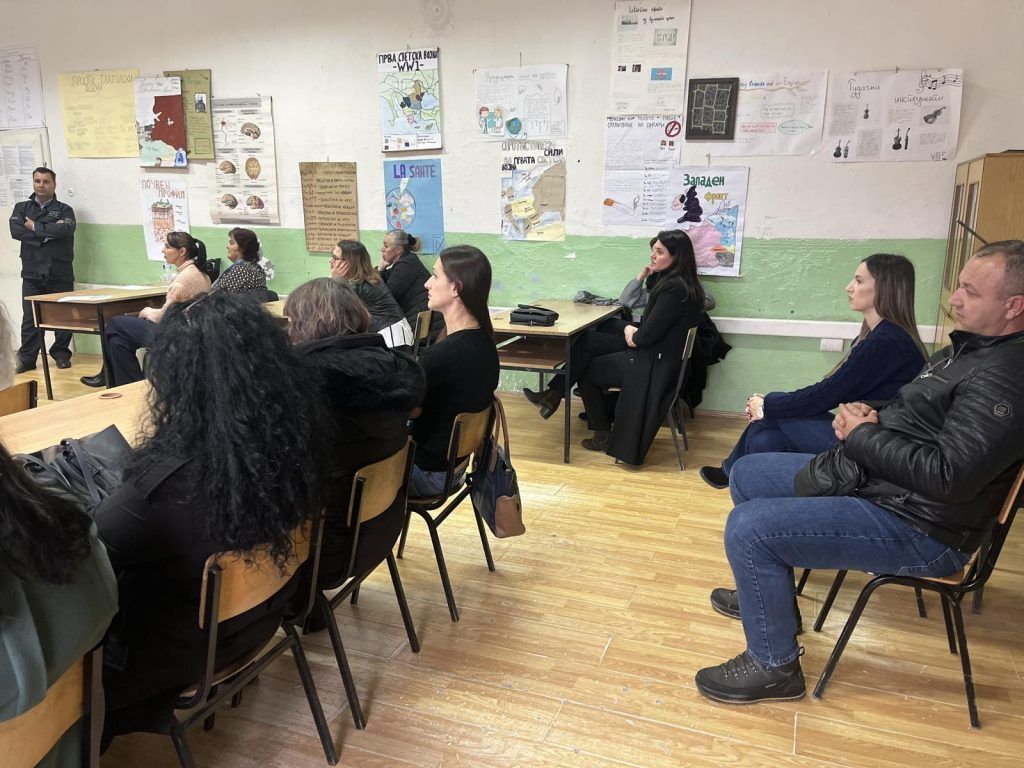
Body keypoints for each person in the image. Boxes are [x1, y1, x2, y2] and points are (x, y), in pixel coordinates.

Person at [695, 241, 1024, 705]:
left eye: (970, 291)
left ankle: (773, 666)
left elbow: (949, 477)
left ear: (1014, 307)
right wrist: (875, 415)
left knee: (749, 529)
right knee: (749, 473)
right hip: (889, 487)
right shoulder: (967, 350)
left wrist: (863, 435)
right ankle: (771, 600)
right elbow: (918, 418)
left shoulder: (1005, 376)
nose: (954, 299)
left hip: (922, 527)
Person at [92, 291, 320, 746]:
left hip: (172, 655)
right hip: (254, 625)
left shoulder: (167, 486)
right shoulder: (291, 444)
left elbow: (88, 549)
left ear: (180, 380)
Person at [699, 253, 927, 489]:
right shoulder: (878, 335)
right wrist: (767, 408)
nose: (849, 287)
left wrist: (766, 405)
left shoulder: (886, 341)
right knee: (765, 436)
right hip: (864, 435)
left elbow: (827, 394)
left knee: (774, 408)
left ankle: (732, 474)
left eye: (859, 281)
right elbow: (831, 393)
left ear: (884, 289)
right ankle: (744, 482)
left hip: (874, 450)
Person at [284, 277, 424, 592]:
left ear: (307, 324)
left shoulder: (305, 382)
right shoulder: (395, 368)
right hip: (378, 530)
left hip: (322, 549)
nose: (288, 330)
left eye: (291, 322)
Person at [524, 231, 704, 452]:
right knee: (588, 339)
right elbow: (632, 308)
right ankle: (553, 395)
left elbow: (642, 338)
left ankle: (599, 431)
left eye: (659, 252)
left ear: (677, 257)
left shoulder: (674, 289)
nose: (652, 256)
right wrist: (641, 282)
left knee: (587, 369)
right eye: (653, 251)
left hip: (652, 364)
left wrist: (630, 332)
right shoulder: (676, 283)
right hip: (658, 355)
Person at [410, 245, 499, 497]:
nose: (427, 283)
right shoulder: (485, 342)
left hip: (428, 475)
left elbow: (407, 408)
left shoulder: (445, 355)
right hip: (455, 470)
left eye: (435, 275)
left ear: (455, 288)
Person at [82, 231, 211, 388]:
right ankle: (127, 386)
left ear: (182, 251)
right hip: (189, 330)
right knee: (117, 341)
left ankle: (112, 379)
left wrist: (146, 311)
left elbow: (161, 317)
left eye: (167, 247)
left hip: (176, 334)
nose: (163, 250)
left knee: (114, 324)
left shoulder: (181, 282)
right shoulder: (199, 273)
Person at [8, 167, 77, 372]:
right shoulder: (22, 208)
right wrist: (47, 234)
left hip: (59, 270)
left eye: (46, 181)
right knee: (31, 318)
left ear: (54, 184)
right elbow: (16, 231)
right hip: (32, 272)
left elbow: (66, 229)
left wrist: (35, 227)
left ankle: (61, 353)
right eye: (37, 181)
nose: (41, 185)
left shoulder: (65, 210)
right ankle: (28, 358)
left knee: (63, 316)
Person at [331, 239, 414, 348]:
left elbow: (326, 304)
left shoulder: (357, 285)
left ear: (349, 262)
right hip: (395, 334)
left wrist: (333, 279)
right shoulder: (367, 278)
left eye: (335, 258)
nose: (331, 261)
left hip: (392, 340)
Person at [377, 229, 431, 327]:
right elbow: (383, 281)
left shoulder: (407, 264)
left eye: (386, 246)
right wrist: (381, 269)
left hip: (420, 323)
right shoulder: (406, 261)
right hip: (417, 318)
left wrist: (380, 270)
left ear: (398, 250)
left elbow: (386, 297)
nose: (382, 249)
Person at [210, 227, 267, 297]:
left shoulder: (241, 270)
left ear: (243, 247)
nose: (227, 246)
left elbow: (216, 296)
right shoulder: (256, 268)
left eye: (231, 243)